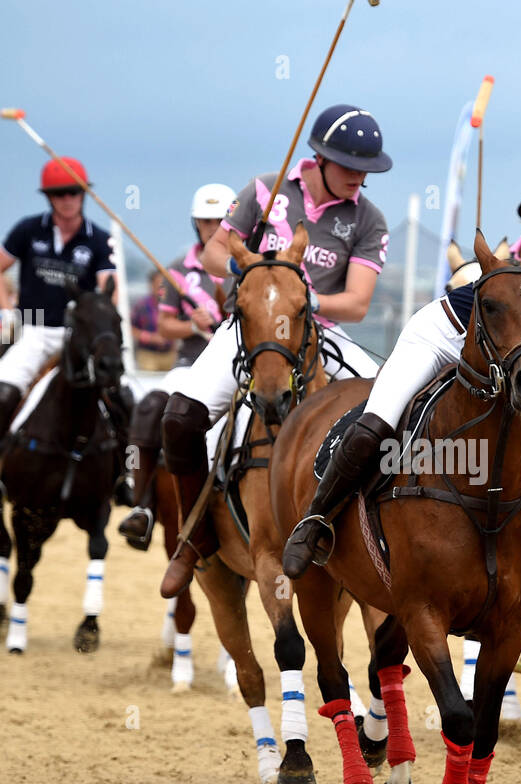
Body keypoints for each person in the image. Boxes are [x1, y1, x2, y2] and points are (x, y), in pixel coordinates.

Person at [281, 202, 521, 578]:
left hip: (492, 358)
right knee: (376, 426)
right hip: (440, 337)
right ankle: (314, 522)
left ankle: (514, 547)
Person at [158, 103, 391, 597]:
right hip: (251, 329)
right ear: (321, 159)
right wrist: (257, 275)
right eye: (350, 167)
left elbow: (357, 302)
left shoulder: (368, 219)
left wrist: (297, 295)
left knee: (391, 415)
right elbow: (212, 253)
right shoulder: (266, 191)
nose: (359, 179)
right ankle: (194, 539)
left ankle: (382, 541)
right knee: (179, 418)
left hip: (320, 332)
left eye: (366, 171)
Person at [0, 156, 127, 515]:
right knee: (0, 394)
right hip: (36, 331)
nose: (67, 200)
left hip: (81, 339)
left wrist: (101, 321)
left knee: (123, 397)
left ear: (83, 195)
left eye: (73, 192)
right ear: (49, 198)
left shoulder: (100, 240)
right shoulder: (28, 230)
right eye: (59, 194)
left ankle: (124, 479)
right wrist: (7, 309)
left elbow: (108, 287)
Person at [118, 183, 236, 550]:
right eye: (205, 222)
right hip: (191, 364)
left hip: (237, 363)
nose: (213, 228)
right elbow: (164, 326)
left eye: (220, 221)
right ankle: (143, 506)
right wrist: (194, 324)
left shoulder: (245, 265)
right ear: (195, 224)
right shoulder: (177, 271)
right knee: (151, 406)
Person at [131, 271, 172, 371]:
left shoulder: (171, 305)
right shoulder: (142, 306)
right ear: (151, 285)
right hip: (148, 355)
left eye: (164, 284)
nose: (161, 288)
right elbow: (130, 328)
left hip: (169, 354)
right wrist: (149, 338)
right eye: (158, 284)